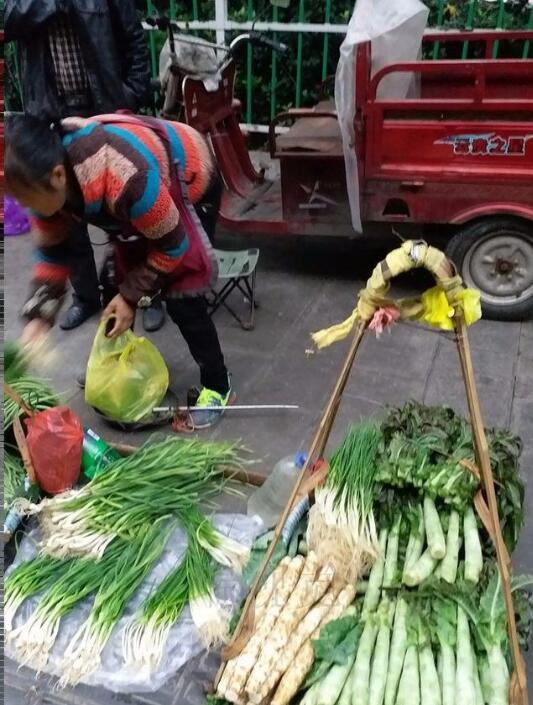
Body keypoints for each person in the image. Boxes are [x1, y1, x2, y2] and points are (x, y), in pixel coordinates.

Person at [5, 112, 230, 429]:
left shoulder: (126, 177)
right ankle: (115, 364)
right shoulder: (46, 180)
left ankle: (218, 385)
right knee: (114, 284)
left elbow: (173, 244)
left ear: (57, 177)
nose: (26, 210)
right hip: (142, 202)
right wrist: (39, 319)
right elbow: (53, 253)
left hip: (191, 177)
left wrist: (131, 299)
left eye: (26, 200)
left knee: (182, 296)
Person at [5, 0, 166, 333]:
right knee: (63, 212)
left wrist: (132, 93)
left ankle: (149, 294)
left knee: (129, 207)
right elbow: (9, 18)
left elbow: (132, 36)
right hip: (51, 111)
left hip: (105, 106)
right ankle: (86, 296)